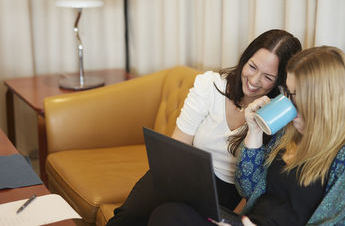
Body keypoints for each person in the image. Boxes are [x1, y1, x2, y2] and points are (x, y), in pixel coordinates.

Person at [147, 46, 345, 226]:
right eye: (287, 93)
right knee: (169, 213)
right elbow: (247, 188)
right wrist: (254, 132)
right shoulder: (292, 130)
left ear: (323, 102)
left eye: (294, 96)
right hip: (249, 222)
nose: (287, 104)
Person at [106, 29, 302, 226]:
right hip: (183, 172)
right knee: (127, 218)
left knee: (164, 216)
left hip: (223, 193)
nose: (254, 80)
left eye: (268, 77)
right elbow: (178, 143)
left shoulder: (276, 117)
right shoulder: (210, 85)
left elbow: (255, 188)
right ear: (245, 58)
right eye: (252, 67)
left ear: (281, 81)